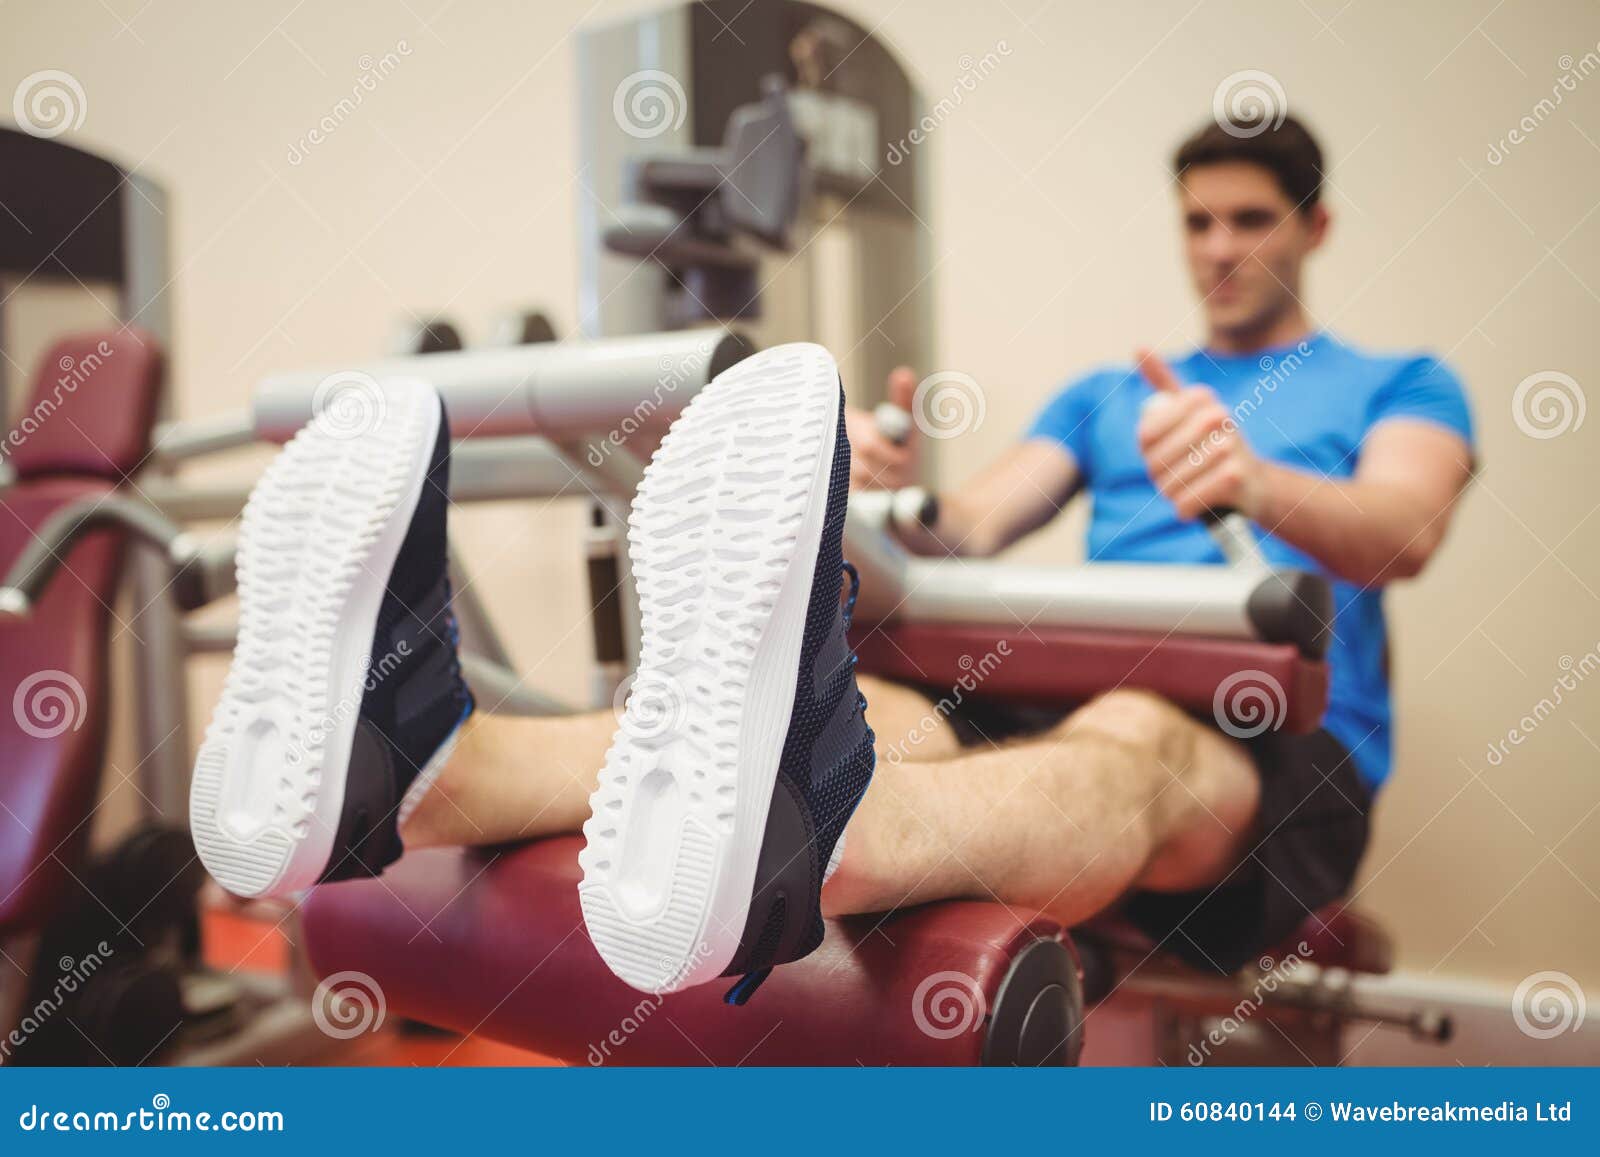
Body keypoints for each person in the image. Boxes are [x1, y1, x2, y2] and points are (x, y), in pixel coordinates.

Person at [190, 111, 1475, 997]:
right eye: (1197, 222)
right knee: (875, 711)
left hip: (1269, 726)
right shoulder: (1108, 393)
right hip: (1059, 683)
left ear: (1315, 226)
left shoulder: (1400, 381)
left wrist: (1255, 481)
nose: (1219, 249)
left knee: (1134, 729)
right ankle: (430, 768)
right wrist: (892, 492)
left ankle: (827, 826)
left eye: (1250, 220)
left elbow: (1406, 529)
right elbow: (973, 527)